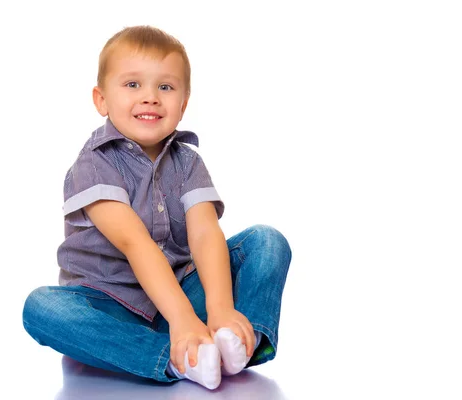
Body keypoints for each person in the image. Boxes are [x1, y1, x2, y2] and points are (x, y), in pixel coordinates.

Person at [22, 25, 292, 390]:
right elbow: (136, 243)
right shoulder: (94, 164)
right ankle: (177, 358)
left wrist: (220, 308)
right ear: (101, 100)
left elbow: (204, 233)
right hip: (108, 305)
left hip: (181, 293)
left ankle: (238, 341)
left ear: (183, 103)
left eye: (165, 87)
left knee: (266, 241)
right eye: (132, 85)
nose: (150, 97)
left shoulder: (188, 163)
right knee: (41, 309)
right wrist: (181, 319)